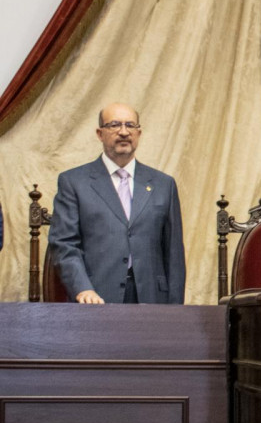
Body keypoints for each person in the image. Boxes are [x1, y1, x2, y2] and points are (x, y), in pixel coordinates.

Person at [48, 103, 185, 304]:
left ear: (138, 133)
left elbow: (174, 254)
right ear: (100, 133)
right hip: (95, 298)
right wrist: (83, 289)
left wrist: (176, 312)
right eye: (114, 125)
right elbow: (64, 245)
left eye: (130, 125)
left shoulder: (163, 185)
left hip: (152, 300)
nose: (123, 132)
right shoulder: (74, 182)